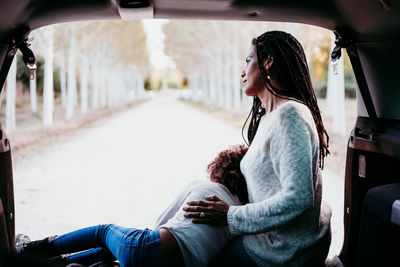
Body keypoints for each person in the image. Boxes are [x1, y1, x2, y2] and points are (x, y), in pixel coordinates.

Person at [183, 30, 332, 266]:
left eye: (248, 61)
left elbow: (299, 198)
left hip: (286, 252)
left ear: (268, 61)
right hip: (268, 240)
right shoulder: (268, 118)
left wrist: (230, 216)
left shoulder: (290, 115)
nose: (242, 71)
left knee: (197, 257)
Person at [17, 145, 249, 267]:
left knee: (104, 232)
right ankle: (60, 263)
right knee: (111, 248)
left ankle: (33, 249)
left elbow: (159, 223)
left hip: (148, 248)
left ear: (220, 168)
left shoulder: (203, 187)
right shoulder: (237, 216)